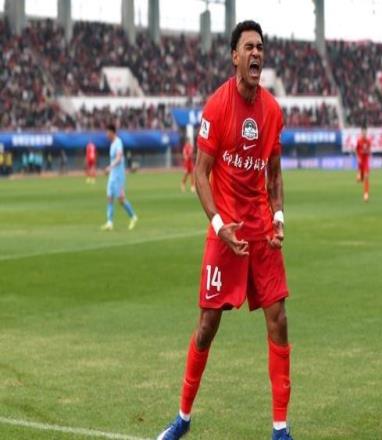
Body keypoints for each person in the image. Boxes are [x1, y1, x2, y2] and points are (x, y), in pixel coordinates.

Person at [156, 21, 293, 440]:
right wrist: (219, 225)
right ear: (235, 56)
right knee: (207, 325)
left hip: (261, 230)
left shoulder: (273, 111)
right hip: (225, 230)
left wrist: (279, 219)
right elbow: (201, 173)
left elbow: (274, 174)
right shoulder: (217, 106)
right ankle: (182, 417)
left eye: (260, 47)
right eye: (249, 47)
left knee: (279, 320)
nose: (257, 53)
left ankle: (280, 428)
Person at [101, 124, 138, 231]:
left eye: (107, 132)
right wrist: (110, 170)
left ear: (112, 132)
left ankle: (133, 216)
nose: (106, 134)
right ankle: (110, 222)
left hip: (118, 176)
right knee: (109, 198)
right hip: (112, 175)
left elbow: (119, 157)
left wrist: (110, 167)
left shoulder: (118, 142)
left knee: (121, 199)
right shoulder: (112, 144)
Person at [356, 125, 371, 201]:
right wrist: (358, 157)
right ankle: (359, 176)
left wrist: (367, 151)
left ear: (366, 133)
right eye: (363, 132)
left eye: (365, 132)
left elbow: (369, 151)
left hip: (366, 161)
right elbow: (356, 150)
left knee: (366, 177)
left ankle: (366, 194)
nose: (364, 133)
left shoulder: (368, 141)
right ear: (361, 133)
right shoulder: (359, 141)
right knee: (361, 179)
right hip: (361, 161)